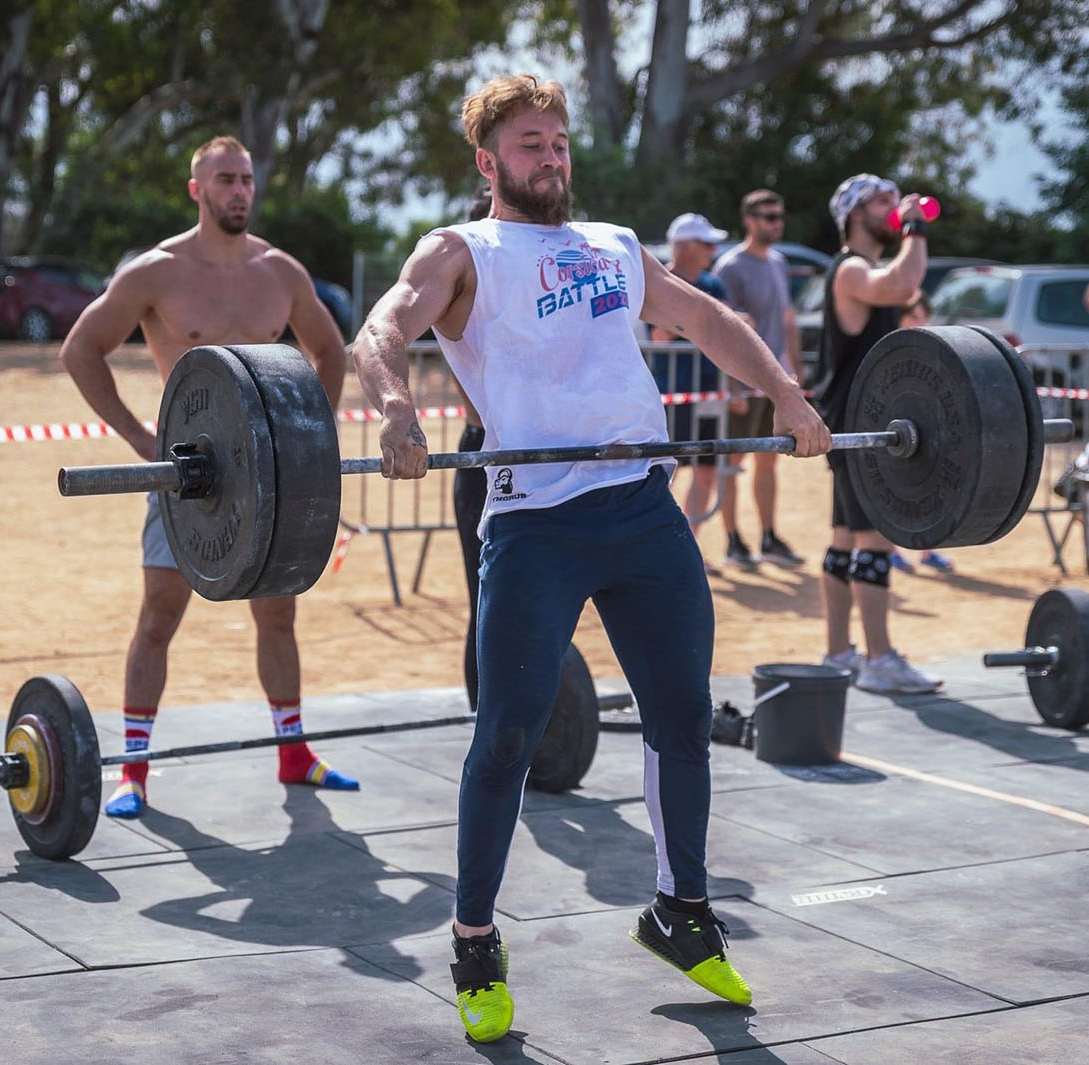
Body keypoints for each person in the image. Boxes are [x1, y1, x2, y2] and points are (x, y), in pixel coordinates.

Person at [349, 74, 830, 1043]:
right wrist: (397, 409)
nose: (552, 157)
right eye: (530, 144)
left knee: (684, 715)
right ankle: (474, 938)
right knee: (507, 736)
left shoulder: (610, 245)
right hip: (535, 521)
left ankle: (680, 914)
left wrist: (786, 395)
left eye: (560, 142)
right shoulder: (462, 250)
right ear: (488, 162)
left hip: (643, 512)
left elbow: (704, 319)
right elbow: (384, 327)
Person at [58, 135, 357, 819]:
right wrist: (143, 440)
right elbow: (80, 349)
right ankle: (132, 770)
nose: (240, 191)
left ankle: (293, 752)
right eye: (225, 179)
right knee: (159, 616)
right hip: (187, 477)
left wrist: (310, 434)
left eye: (247, 179)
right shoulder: (156, 271)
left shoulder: (280, 272)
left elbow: (329, 350)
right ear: (197, 189)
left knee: (278, 612)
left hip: (270, 478)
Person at [814, 174, 942, 695]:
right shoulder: (851, 269)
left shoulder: (862, 268)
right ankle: (880, 659)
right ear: (853, 214)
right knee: (874, 538)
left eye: (896, 200)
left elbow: (900, 287)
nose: (893, 208)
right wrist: (915, 226)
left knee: (845, 538)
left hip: (855, 420)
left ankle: (839, 653)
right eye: (882, 202)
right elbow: (901, 287)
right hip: (860, 422)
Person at [711, 190, 804, 571]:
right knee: (732, 463)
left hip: (774, 384)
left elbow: (786, 318)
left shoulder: (778, 263)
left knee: (769, 461)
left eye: (779, 215)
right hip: (742, 384)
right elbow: (719, 330)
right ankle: (733, 541)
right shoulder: (730, 267)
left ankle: (769, 537)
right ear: (749, 220)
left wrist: (794, 377)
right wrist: (731, 386)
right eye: (768, 216)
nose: (776, 222)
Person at [650, 212, 732, 567]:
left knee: (707, 471)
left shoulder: (713, 285)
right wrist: (703, 325)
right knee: (666, 473)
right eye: (706, 243)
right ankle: (656, 546)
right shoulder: (659, 280)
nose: (713, 250)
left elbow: (727, 330)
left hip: (709, 393)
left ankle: (688, 546)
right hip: (670, 394)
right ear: (683, 247)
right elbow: (659, 335)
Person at [452, 184, 494, 707]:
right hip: (488, 456)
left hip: (539, 456)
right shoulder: (460, 285)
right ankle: (486, 719)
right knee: (486, 600)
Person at [887, 293, 954, 576]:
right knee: (891, 491)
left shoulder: (931, 349)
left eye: (922, 315)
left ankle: (928, 550)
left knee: (930, 490)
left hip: (926, 432)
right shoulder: (888, 351)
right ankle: (889, 551)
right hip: (895, 433)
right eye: (912, 316)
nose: (920, 322)